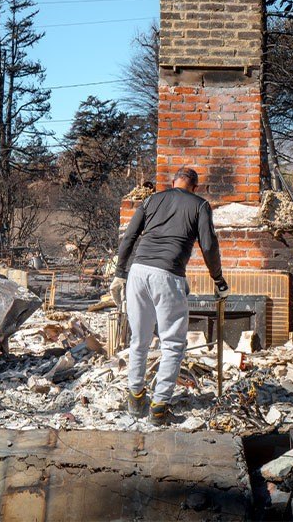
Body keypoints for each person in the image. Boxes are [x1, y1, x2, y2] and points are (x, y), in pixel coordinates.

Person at [112, 167, 228, 425]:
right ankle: (159, 408)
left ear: (173, 182)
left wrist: (120, 272)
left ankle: (136, 396)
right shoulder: (200, 206)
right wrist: (218, 280)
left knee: (139, 340)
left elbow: (129, 236)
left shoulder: (151, 199)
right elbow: (209, 246)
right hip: (168, 275)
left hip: (138, 273)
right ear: (195, 187)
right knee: (173, 344)